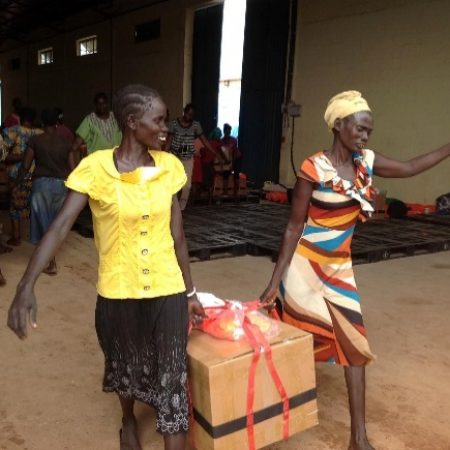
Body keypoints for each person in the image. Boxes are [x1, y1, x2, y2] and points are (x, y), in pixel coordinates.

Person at [7, 84, 205, 450]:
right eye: (158, 121)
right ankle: (127, 417)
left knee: (172, 379)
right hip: (119, 292)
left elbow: (178, 237)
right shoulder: (95, 169)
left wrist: (190, 292)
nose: (166, 129)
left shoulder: (169, 168)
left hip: (168, 291)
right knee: (126, 367)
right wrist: (25, 285)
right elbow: (61, 225)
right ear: (132, 122)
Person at [260, 90, 450, 450]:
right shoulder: (313, 168)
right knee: (290, 340)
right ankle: (262, 417)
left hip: (339, 269)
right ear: (339, 124)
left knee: (355, 346)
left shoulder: (367, 162)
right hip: (305, 268)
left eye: (369, 131)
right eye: (360, 128)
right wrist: (275, 280)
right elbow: (293, 227)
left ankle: (357, 438)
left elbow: (410, 167)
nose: (365, 136)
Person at [24, 108, 76, 275]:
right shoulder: (65, 143)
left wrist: (18, 182)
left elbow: (26, 165)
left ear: (41, 122)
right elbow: (73, 168)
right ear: (56, 123)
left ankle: (50, 261)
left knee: (44, 224)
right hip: (61, 186)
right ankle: (50, 258)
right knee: (55, 223)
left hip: (41, 186)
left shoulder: (35, 140)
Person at [165, 103, 227, 210]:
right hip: (175, 156)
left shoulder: (196, 125)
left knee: (187, 185)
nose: (189, 117)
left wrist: (217, 155)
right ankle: (171, 205)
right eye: (188, 114)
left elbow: (205, 142)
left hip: (188, 157)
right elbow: (169, 141)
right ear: (184, 112)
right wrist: (163, 156)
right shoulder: (174, 124)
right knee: (173, 183)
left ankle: (181, 208)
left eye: (191, 115)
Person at [3, 107, 43, 246]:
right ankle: (38, 238)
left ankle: (16, 236)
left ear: (20, 118)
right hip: (37, 176)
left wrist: (21, 156)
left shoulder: (13, 131)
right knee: (36, 207)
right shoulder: (41, 133)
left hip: (17, 175)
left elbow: (3, 155)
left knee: (15, 206)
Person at [72, 92, 122, 159]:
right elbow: (76, 145)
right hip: (96, 162)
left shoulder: (116, 117)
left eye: (104, 103)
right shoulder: (89, 120)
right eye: (99, 104)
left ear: (107, 103)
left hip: (116, 160)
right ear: (95, 105)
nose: (102, 106)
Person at [220, 123, 241, 199]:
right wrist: (225, 162)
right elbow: (221, 153)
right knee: (226, 173)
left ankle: (236, 192)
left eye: (229, 131)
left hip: (236, 158)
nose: (228, 132)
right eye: (226, 131)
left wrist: (232, 164)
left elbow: (234, 153)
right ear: (224, 131)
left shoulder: (234, 140)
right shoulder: (221, 141)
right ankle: (225, 192)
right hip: (227, 159)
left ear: (230, 131)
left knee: (236, 174)